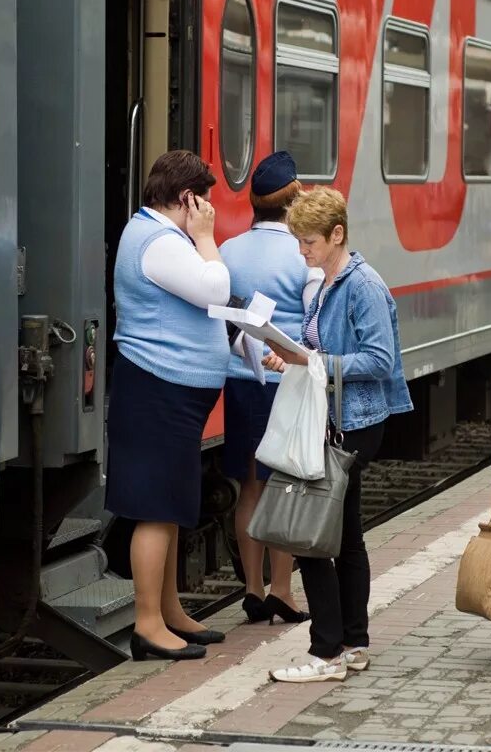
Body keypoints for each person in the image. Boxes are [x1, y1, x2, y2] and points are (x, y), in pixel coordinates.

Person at [262, 186, 413, 683]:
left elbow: (380, 359)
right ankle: (353, 643)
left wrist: (314, 361)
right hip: (337, 419)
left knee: (312, 536)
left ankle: (326, 650)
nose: (301, 251)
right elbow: (319, 349)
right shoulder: (329, 280)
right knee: (344, 538)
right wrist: (288, 356)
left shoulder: (361, 284)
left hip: (352, 423)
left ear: (337, 235)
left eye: (308, 242)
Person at [106, 150, 232, 661]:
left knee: (172, 506)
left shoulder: (159, 236)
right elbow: (214, 289)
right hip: (158, 389)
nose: (209, 211)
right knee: (156, 509)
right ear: (188, 198)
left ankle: (170, 611)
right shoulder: (158, 242)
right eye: (205, 202)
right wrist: (206, 238)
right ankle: (148, 623)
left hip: (170, 391)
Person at [218, 151, 321, 625]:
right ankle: (283, 589)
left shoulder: (229, 250)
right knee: (286, 485)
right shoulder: (304, 253)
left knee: (250, 487)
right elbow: (315, 323)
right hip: (287, 383)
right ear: (294, 198)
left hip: (240, 382)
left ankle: (253, 588)